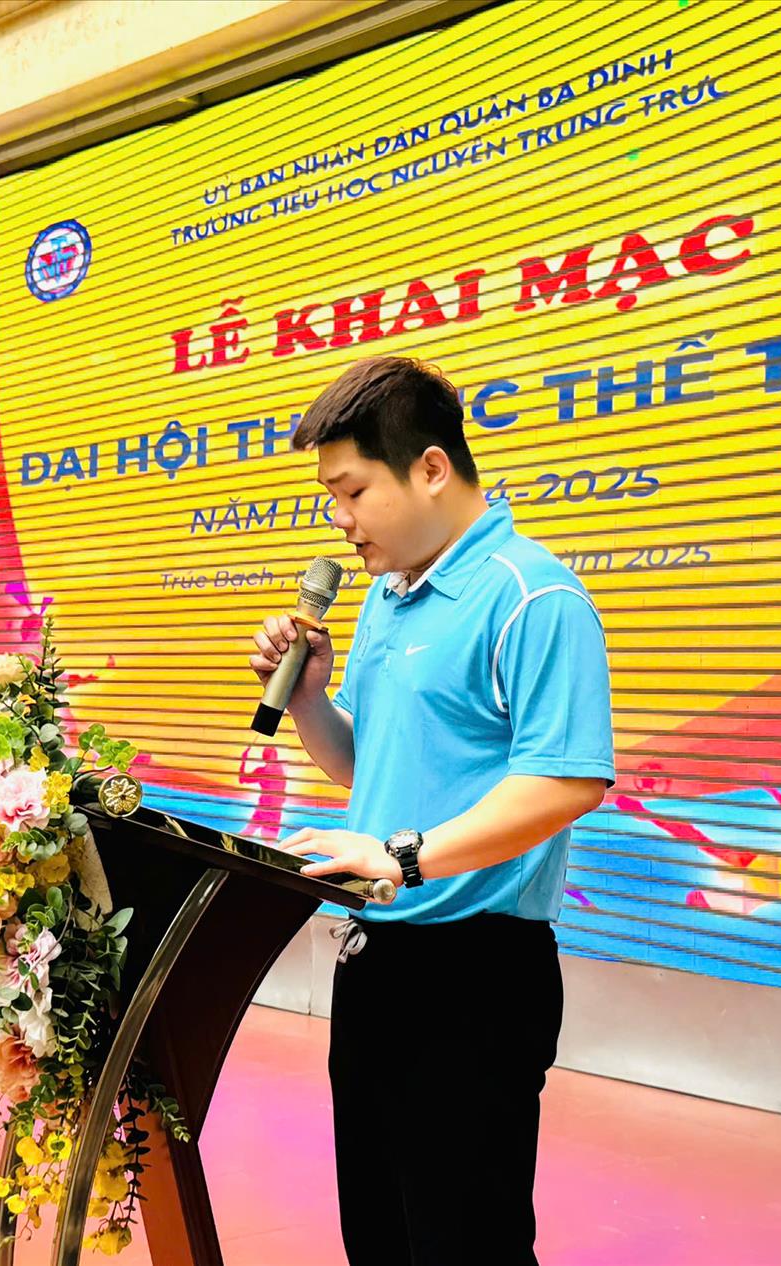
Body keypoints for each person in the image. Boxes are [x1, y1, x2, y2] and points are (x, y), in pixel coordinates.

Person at [251, 356, 615, 1266]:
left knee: (465, 1244)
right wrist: (309, 699)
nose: (340, 520)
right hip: (377, 961)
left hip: (476, 976)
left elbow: (566, 782)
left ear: (431, 468)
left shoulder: (534, 595)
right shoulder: (386, 599)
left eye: (353, 491)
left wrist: (404, 858)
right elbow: (364, 767)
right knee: (379, 1235)